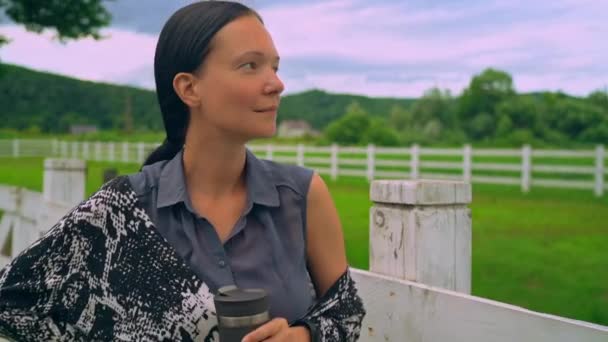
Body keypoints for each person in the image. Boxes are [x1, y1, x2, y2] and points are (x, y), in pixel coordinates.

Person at [0, 1, 365, 341]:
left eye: (275, 66)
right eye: (251, 66)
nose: (276, 84)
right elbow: (12, 301)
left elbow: (345, 312)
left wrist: (303, 336)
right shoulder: (121, 210)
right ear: (189, 88)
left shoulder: (302, 195)